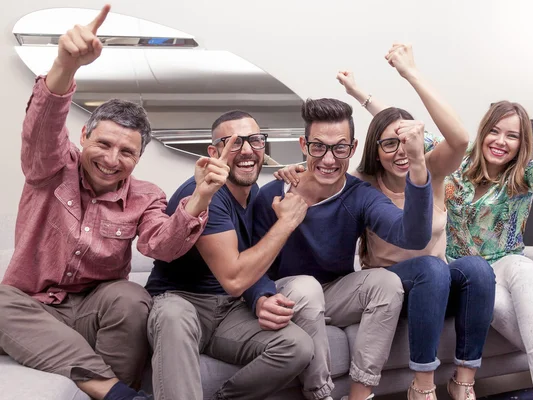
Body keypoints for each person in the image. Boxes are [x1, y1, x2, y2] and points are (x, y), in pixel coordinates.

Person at [0, 5, 229, 400]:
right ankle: (113, 391)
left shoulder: (146, 195)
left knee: (131, 297)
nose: (111, 159)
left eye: (126, 152)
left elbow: (161, 246)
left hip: (94, 313)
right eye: (103, 143)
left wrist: (201, 197)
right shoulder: (51, 167)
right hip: (31, 308)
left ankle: (99, 384)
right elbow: (42, 128)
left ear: (138, 159)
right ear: (84, 135)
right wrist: (64, 65)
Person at [277, 44, 495, 400]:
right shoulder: (363, 183)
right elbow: (331, 165)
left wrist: (406, 74)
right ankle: (423, 386)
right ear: (374, 150)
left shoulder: (430, 172)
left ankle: (463, 382)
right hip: (395, 289)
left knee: (476, 269)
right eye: (388, 144)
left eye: (406, 142)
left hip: (435, 288)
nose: (399, 151)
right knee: (431, 269)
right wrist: (296, 172)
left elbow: (457, 137)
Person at [245, 96, 435, 400]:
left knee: (387, 281)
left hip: (335, 295)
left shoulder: (360, 195)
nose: (329, 159)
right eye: (318, 147)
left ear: (354, 147)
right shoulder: (272, 195)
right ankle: (320, 394)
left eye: (340, 148)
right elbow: (251, 265)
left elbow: (413, 237)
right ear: (303, 145)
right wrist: (260, 298)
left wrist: (417, 163)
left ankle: (361, 394)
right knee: (307, 288)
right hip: (289, 294)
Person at [144, 110, 316, 400]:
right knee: (174, 315)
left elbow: (249, 266)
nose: (247, 150)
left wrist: (260, 297)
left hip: (228, 309)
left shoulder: (254, 192)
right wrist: (286, 222)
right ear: (214, 152)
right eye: (234, 142)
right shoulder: (203, 193)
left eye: (255, 141)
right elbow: (235, 278)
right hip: (181, 302)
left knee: (297, 346)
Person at [441, 100, 533, 400]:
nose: (500, 141)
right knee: (487, 291)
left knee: (526, 267)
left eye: (512, 136)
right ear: (483, 132)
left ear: (522, 143)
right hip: (463, 272)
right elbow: (399, 129)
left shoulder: (524, 176)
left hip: (507, 262)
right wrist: (363, 94)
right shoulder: (456, 161)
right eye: (494, 131)